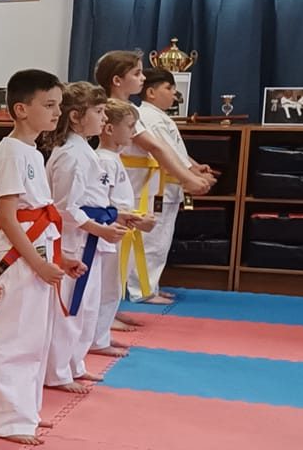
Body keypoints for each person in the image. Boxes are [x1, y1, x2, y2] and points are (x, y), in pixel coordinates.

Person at [0, 70, 76, 444]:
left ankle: (26, 411)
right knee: (13, 338)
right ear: (21, 109)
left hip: (37, 249)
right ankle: (7, 420)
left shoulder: (32, 151)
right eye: (49, 105)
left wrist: (59, 258)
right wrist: (37, 263)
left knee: (36, 338)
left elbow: (40, 215)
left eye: (59, 105)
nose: (57, 112)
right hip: (18, 258)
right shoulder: (10, 153)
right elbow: (7, 217)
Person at [93, 51, 214, 308]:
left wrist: (190, 170)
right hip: (130, 183)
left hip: (135, 182)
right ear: (117, 80)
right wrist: (188, 179)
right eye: (137, 73)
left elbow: (165, 147)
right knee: (139, 242)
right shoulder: (114, 111)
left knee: (145, 241)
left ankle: (135, 292)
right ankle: (135, 292)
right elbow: (156, 147)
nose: (142, 78)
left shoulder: (129, 111)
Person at [43, 83, 124, 392]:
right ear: (76, 117)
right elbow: (64, 207)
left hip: (87, 237)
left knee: (87, 308)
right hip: (72, 241)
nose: (104, 118)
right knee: (69, 308)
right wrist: (99, 228)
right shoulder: (71, 155)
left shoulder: (83, 150)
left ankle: (75, 363)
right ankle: (57, 372)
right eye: (99, 111)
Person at [91, 100, 153, 358]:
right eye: (129, 126)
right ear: (108, 128)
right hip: (109, 229)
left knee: (113, 287)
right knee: (106, 287)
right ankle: (96, 339)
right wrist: (131, 218)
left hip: (118, 227)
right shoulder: (104, 161)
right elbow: (102, 202)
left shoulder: (113, 159)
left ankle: (101, 334)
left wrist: (136, 217)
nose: (133, 132)